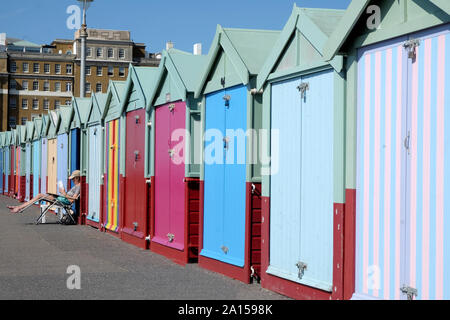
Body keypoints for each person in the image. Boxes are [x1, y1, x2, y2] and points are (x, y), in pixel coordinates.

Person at [8, 170, 81, 214]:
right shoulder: (76, 186)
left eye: (73, 179)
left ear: (77, 178)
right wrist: (62, 192)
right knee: (41, 195)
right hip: (61, 198)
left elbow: (72, 200)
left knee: (40, 195)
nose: (72, 180)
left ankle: (20, 207)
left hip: (63, 201)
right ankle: (19, 207)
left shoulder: (78, 186)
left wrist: (64, 193)